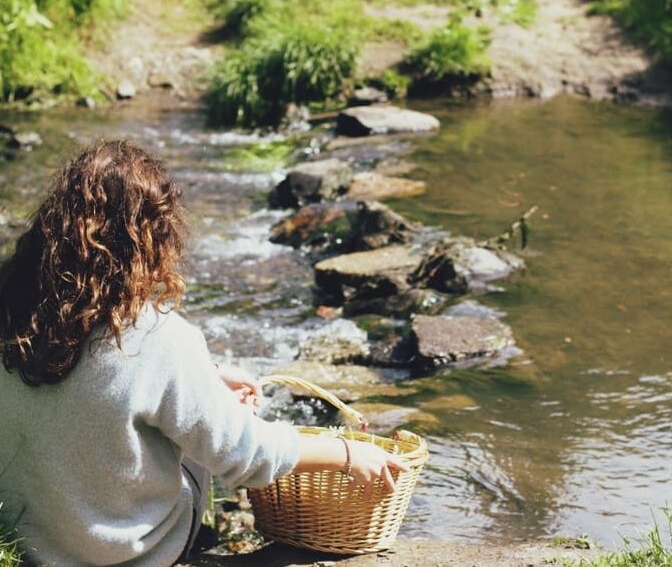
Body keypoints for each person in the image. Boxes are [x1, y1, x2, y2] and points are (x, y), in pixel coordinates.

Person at [0, 140, 406, 565]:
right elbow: (246, 455)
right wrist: (346, 454)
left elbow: (97, 381)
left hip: (30, 541)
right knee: (209, 441)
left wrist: (207, 377)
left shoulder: (13, 309)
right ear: (149, 236)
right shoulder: (157, 337)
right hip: (128, 554)